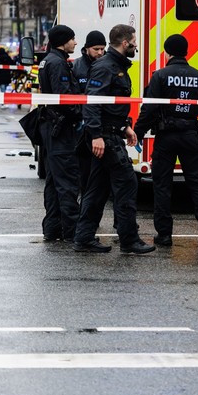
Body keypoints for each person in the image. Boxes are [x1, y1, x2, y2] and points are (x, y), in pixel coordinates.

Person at [73, 24, 155, 255]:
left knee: (97, 189)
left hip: (112, 133)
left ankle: (84, 237)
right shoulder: (105, 67)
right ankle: (129, 240)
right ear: (125, 42)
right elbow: (92, 103)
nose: (136, 45)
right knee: (128, 183)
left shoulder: (116, 66)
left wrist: (126, 127)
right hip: (105, 138)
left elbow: (113, 105)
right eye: (134, 41)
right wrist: (96, 136)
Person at [133, 34, 198, 248]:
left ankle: (164, 235)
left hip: (166, 136)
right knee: (197, 184)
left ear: (167, 52)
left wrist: (138, 132)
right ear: (186, 52)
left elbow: (150, 107)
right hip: (192, 135)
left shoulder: (160, 76)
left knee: (162, 186)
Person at [37, 25, 82, 243]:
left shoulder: (48, 60)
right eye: (72, 39)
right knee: (67, 182)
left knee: (54, 182)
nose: (75, 43)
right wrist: (79, 114)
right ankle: (73, 232)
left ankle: (52, 228)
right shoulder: (58, 64)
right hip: (61, 129)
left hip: (50, 128)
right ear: (63, 41)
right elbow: (65, 99)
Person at [72, 30, 107, 193]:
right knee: (83, 170)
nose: (100, 53)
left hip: (103, 124)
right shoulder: (76, 66)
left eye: (102, 49)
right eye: (96, 49)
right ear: (87, 48)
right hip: (81, 125)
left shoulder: (108, 66)